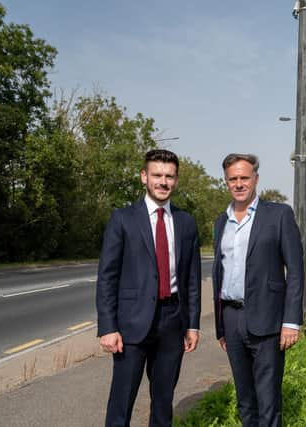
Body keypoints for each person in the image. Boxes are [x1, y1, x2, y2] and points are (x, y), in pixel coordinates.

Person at [96, 149, 201, 427]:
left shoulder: (186, 223)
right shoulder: (123, 219)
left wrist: (192, 325)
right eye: (157, 175)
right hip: (131, 324)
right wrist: (107, 327)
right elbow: (107, 276)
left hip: (172, 322)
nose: (163, 182)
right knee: (121, 402)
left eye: (169, 176)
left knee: (163, 402)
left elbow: (192, 278)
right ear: (144, 177)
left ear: (176, 180)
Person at [212, 153, 304, 427]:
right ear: (226, 182)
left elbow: (296, 272)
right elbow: (219, 273)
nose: (239, 184)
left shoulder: (279, 215)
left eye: (244, 177)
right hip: (231, 319)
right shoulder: (221, 221)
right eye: (233, 179)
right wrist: (220, 327)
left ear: (256, 179)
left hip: (268, 320)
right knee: (244, 398)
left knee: (268, 398)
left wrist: (291, 321)